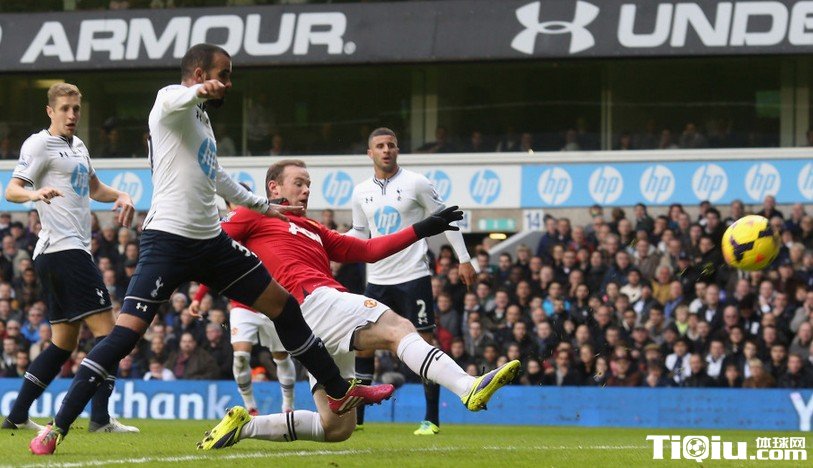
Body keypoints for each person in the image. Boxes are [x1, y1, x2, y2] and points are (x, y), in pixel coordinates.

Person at [29, 44, 392, 456]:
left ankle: (338, 391)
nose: (229, 83)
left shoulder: (201, 121)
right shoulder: (170, 101)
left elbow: (217, 176)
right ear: (201, 74)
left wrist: (263, 206)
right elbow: (175, 99)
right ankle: (56, 428)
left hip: (211, 241)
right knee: (123, 337)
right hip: (168, 240)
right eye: (224, 74)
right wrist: (200, 91)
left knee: (283, 306)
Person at [194, 159, 518, 450]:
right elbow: (209, 242)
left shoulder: (314, 228)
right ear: (273, 187)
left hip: (311, 324)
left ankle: (245, 426)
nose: (306, 190)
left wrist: (423, 229)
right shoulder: (254, 213)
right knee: (398, 328)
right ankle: (466, 386)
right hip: (314, 302)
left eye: (309, 184)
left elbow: (369, 251)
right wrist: (204, 289)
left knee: (336, 428)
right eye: (298, 183)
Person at [1, 83, 138, 435]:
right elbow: (12, 190)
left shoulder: (78, 147)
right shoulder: (38, 144)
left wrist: (121, 195)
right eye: (64, 108)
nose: (71, 115)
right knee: (111, 336)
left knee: (63, 343)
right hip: (65, 251)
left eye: (76, 108)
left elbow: (95, 189)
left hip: (58, 254)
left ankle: (17, 415)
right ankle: (100, 418)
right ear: (50, 111)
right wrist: (35, 193)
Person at [349, 127, 477, 435]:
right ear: (370, 153)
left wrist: (464, 258)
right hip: (377, 278)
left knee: (423, 345)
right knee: (363, 346)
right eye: (380, 146)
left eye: (391, 145)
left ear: (397, 149)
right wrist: (329, 248)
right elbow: (359, 232)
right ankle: (358, 420)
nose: (386, 150)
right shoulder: (360, 191)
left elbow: (446, 218)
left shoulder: (417, 183)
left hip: (413, 276)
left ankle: (431, 419)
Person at [199, 185, 298, 415]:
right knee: (241, 356)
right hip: (243, 303)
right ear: (229, 204)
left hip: (271, 300)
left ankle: (288, 407)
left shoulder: (262, 221)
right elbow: (213, 265)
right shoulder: (225, 233)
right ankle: (250, 408)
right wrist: (198, 297)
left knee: (281, 356)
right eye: (238, 199)